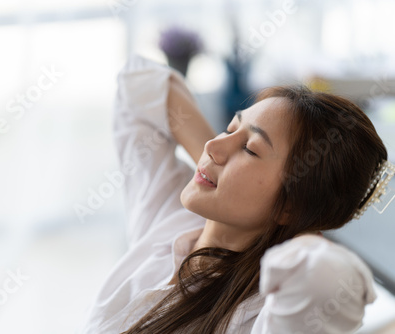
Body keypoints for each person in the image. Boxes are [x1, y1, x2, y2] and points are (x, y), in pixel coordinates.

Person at [77, 55, 394, 334]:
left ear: (291, 205)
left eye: (250, 149)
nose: (211, 146)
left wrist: (300, 222)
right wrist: (216, 169)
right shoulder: (168, 221)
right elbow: (138, 82)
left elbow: (327, 280)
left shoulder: (262, 317)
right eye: (229, 128)